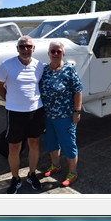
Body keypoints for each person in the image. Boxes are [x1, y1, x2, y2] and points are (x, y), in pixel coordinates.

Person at [0, 36, 45, 194]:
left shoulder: (39, 66)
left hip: (36, 111)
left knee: (34, 144)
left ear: (33, 48)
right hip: (15, 113)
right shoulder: (7, 65)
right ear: (17, 49)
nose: (25, 49)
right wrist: (9, 100)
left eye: (29, 46)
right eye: (22, 46)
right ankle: (15, 178)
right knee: (14, 147)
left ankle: (31, 174)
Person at [39, 41, 83, 187]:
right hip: (47, 116)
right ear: (49, 54)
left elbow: (78, 91)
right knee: (51, 143)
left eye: (59, 51)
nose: (56, 54)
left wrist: (77, 111)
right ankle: (56, 165)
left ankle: (73, 172)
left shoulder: (69, 70)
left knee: (68, 144)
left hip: (65, 116)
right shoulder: (44, 70)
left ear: (63, 53)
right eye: (53, 51)